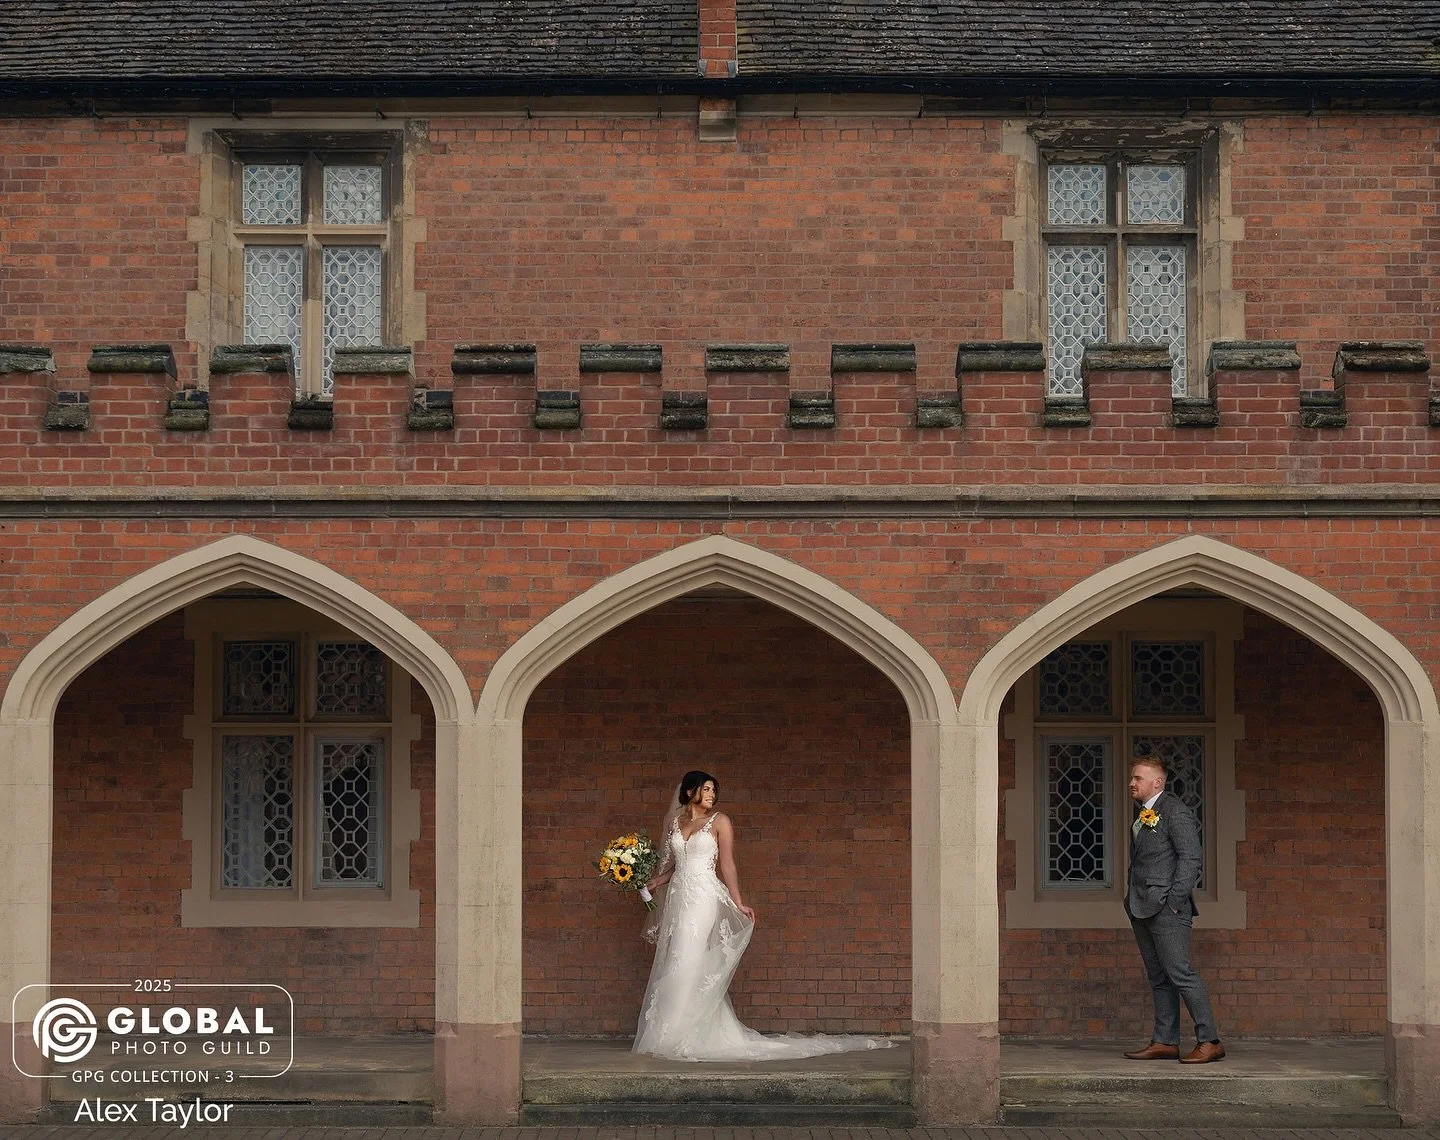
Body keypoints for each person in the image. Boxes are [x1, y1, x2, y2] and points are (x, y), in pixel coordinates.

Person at [631, 770, 895, 1061]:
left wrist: (738, 902)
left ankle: (680, 1035)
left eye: (713, 790)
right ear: (691, 791)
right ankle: (679, 1030)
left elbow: (727, 865)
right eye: (706, 789)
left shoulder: (720, 822)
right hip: (679, 896)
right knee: (676, 957)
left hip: (703, 897)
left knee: (688, 955)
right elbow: (677, 866)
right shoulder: (676, 823)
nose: (711, 795)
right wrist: (655, 882)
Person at [1122, 755, 1225, 1064]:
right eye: (1132, 778)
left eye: (1138, 778)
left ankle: (1210, 1040)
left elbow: (1191, 859)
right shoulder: (1144, 813)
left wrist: (1174, 901)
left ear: (1158, 782)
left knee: (1181, 974)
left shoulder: (1175, 811)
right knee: (1159, 977)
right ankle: (1166, 1041)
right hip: (1140, 906)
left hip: (1167, 908)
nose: (1132, 783)